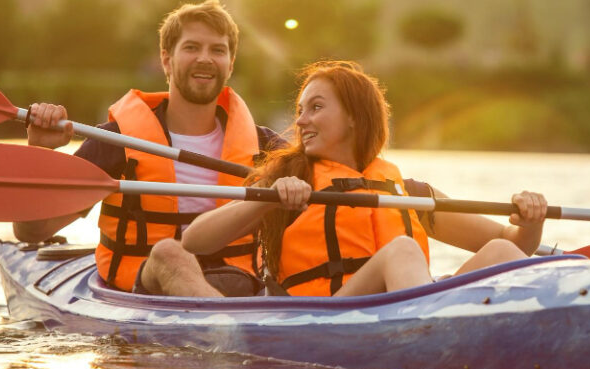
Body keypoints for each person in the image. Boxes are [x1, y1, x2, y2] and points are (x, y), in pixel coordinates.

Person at [182, 61, 547, 297]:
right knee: (402, 250)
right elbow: (195, 241)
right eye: (300, 110)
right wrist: (267, 199)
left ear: (354, 116)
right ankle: (424, 332)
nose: (300, 121)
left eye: (317, 107)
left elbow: (512, 242)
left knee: (499, 252)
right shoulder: (287, 179)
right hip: (329, 316)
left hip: (406, 311)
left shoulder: (407, 192)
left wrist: (531, 219)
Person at [13, 0, 283, 297]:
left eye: (217, 50)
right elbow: (32, 232)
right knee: (169, 253)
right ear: (166, 60)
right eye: (192, 48)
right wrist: (38, 152)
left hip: (237, 282)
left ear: (230, 64)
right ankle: (230, 334)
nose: (205, 58)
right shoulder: (118, 142)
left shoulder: (267, 148)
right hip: (145, 285)